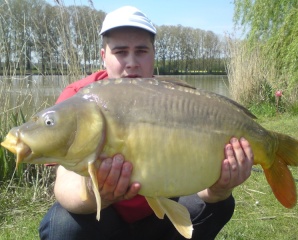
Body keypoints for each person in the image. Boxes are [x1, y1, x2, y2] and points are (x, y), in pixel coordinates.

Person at [39, 6, 253, 240]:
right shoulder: (79, 99)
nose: (131, 62)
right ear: (104, 57)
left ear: (153, 53)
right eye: (120, 52)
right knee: (61, 225)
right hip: (105, 217)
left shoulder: (175, 99)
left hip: (163, 209)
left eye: (141, 51)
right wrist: (98, 193)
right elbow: (64, 187)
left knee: (221, 204)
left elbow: (193, 174)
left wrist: (218, 190)